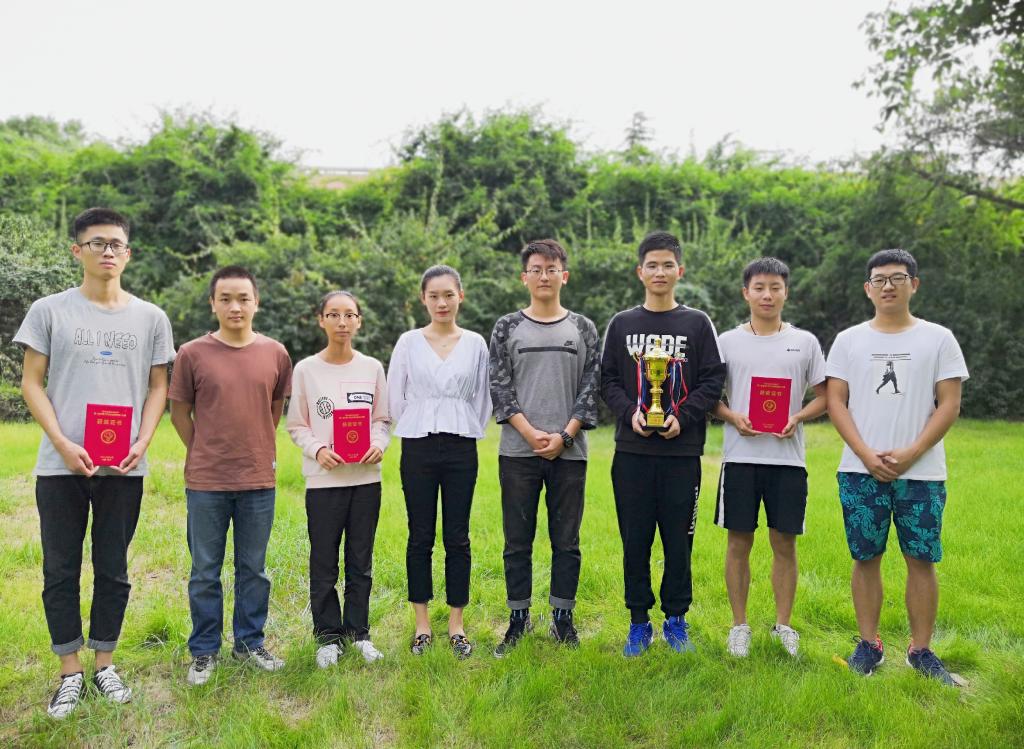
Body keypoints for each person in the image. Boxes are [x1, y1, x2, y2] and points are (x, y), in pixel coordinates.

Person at [15, 207, 175, 718]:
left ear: (128, 253)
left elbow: (158, 386)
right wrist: (62, 442)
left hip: (122, 468)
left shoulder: (150, 317)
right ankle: (70, 671)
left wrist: (143, 440)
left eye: (116, 244)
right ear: (77, 250)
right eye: (97, 242)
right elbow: (31, 383)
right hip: (60, 466)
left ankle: (105, 662)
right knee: (60, 569)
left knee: (114, 568)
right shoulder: (49, 310)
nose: (108, 251)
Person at [826, 248, 968, 685]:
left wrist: (911, 452)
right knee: (865, 557)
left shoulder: (938, 339)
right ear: (868, 288)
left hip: (921, 473)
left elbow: (949, 404)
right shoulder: (848, 340)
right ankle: (869, 645)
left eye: (898, 277)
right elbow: (836, 402)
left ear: (914, 284)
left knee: (921, 559)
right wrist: (867, 455)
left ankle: (921, 650)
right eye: (880, 279)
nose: (888, 285)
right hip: (860, 470)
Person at [600, 231, 726, 657]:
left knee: (678, 542)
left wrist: (683, 417)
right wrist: (630, 414)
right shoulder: (622, 324)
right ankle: (638, 621)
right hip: (632, 454)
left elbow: (712, 379)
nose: (659, 272)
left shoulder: (697, 323)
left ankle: (676, 619)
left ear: (680, 271)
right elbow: (608, 380)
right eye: (652, 265)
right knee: (634, 541)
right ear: (640, 272)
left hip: (681, 454)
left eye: (667, 265)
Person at [169, 266, 292, 685]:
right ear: (213, 304)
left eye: (243, 298)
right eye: (225, 299)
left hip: (258, 480)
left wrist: (254, 448)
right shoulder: (192, 353)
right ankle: (204, 651)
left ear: (256, 302)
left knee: (253, 569)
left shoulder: (275, 353)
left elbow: (273, 409)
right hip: (206, 483)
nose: (235, 306)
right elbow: (179, 413)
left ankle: (249, 643)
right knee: (205, 571)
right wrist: (203, 450)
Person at [489, 239, 600, 657]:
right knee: (517, 541)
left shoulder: (583, 328)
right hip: (518, 454)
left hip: (570, 453)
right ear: (524, 277)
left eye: (551, 269)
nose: (544, 276)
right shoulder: (506, 327)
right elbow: (500, 387)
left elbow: (591, 387)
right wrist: (530, 433)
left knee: (566, 541)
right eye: (536, 269)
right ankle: (518, 619)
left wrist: (565, 436)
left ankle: (562, 618)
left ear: (563, 276)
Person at [712, 257, 827, 658]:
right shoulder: (727, 342)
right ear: (746, 292)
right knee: (738, 541)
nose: (767, 295)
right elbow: (710, 397)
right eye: (759, 287)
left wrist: (798, 416)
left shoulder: (805, 342)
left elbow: (825, 396)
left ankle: (784, 626)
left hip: (788, 461)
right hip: (740, 458)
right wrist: (733, 417)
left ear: (785, 292)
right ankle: (739, 626)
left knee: (785, 543)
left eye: (775, 287)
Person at [387, 266, 490, 659]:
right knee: (420, 535)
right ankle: (422, 625)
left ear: (460, 296)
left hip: (461, 445)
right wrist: (421, 420)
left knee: (458, 536)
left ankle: (457, 625)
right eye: (434, 296)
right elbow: (396, 396)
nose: (442, 303)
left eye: (448, 294)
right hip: (418, 445)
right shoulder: (409, 342)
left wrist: (458, 422)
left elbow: (482, 399)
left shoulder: (476, 344)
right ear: (423, 299)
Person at [286, 290, 390, 666]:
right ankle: (328, 637)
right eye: (333, 315)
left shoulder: (372, 368)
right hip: (324, 481)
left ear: (359, 321)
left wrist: (379, 443)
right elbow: (296, 424)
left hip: (365, 480)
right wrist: (317, 450)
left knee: (361, 561)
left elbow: (382, 419)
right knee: (324, 562)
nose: (342, 322)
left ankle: (359, 633)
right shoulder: (306, 370)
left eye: (349, 315)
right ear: (321, 320)